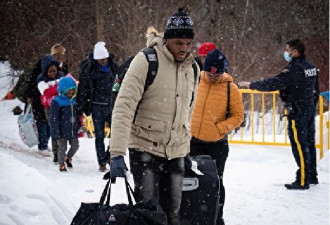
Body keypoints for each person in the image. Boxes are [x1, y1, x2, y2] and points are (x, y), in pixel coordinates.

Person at [109, 8, 199, 225]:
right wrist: (117, 152)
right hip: (145, 149)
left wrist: (185, 148)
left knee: (173, 215)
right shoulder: (146, 60)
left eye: (188, 44)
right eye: (179, 43)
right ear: (166, 39)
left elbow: (188, 111)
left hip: (176, 152)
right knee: (148, 215)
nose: (184, 49)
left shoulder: (193, 68)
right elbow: (124, 106)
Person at [238, 39, 319, 190]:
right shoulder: (311, 67)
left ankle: (302, 180)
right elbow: (316, 90)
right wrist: (311, 106)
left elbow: (273, 83)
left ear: (295, 52)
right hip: (308, 110)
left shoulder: (294, 70)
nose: (286, 53)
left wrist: (251, 85)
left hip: (297, 111)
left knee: (300, 146)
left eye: (288, 50)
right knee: (308, 144)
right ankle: (312, 176)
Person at [190, 49, 244, 225]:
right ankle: (192, 213)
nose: (213, 77)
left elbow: (238, 116)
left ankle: (216, 216)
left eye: (217, 74)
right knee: (190, 179)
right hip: (192, 141)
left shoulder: (231, 88)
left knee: (216, 182)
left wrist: (220, 128)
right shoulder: (196, 81)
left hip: (216, 145)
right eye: (210, 73)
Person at [76, 41, 118, 172]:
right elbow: (82, 89)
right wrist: (81, 107)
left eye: (104, 59)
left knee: (116, 134)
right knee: (99, 136)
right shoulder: (89, 70)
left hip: (111, 106)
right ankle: (102, 162)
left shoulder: (112, 67)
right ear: (96, 59)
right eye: (100, 59)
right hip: (96, 107)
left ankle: (108, 156)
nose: (103, 61)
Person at [26, 44, 68, 159]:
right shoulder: (42, 63)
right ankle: (42, 146)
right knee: (42, 121)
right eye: (57, 56)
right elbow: (33, 78)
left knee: (51, 121)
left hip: (54, 99)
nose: (60, 58)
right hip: (40, 96)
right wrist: (30, 95)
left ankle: (45, 142)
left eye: (62, 56)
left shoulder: (63, 66)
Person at [37, 54, 65, 160]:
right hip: (49, 108)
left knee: (61, 129)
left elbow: (68, 86)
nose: (53, 73)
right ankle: (56, 153)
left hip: (62, 106)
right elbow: (46, 92)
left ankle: (61, 149)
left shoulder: (61, 75)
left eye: (54, 70)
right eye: (50, 71)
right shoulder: (41, 79)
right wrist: (59, 88)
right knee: (54, 129)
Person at [50, 76, 80, 172]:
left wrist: (78, 125)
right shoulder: (57, 101)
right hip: (62, 130)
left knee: (75, 145)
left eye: (72, 90)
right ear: (63, 90)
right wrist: (56, 132)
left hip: (72, 129)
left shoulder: (75, 101)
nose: (71, 92)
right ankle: (61, 164)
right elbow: (54, 119)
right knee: (62, 148)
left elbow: (77, 115)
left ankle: (68, 158)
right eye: (68, 90)